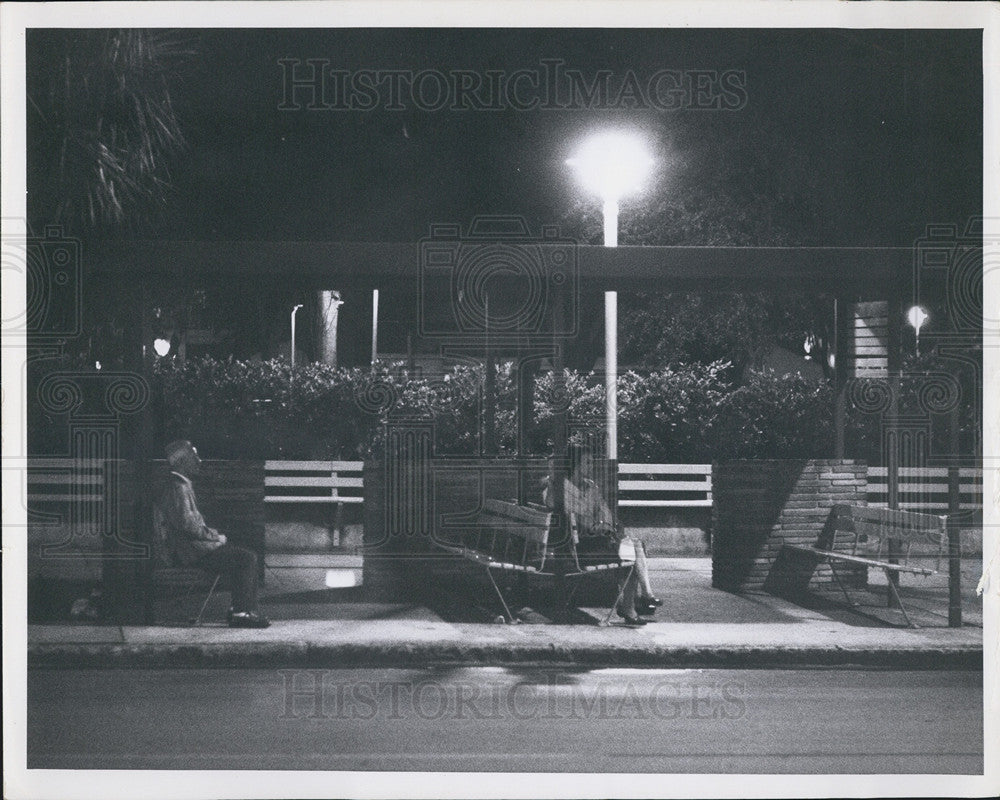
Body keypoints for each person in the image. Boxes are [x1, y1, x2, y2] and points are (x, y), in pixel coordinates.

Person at [154, 440, 270, 628]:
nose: (199, 461)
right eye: (194, 457)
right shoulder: (178, 488)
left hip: (193, 548)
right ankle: (241, 613)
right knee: (246, 558)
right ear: (183, 462)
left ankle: (240, 610)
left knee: (242, 555)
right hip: (192, 552)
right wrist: (216, 537)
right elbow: (188, 525)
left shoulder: (179, 485)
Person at [543, 445, 662, 627]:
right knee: (633, 550)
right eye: (588, 462)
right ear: (575, 464)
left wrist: (602, 525)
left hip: (598, 539)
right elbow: (563, 512)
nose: (592, 466)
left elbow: (606, 515)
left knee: (633, 548)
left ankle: (639, 599)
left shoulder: (591, 487)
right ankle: (636, 602)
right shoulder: (558, 490)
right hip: (578, 548)